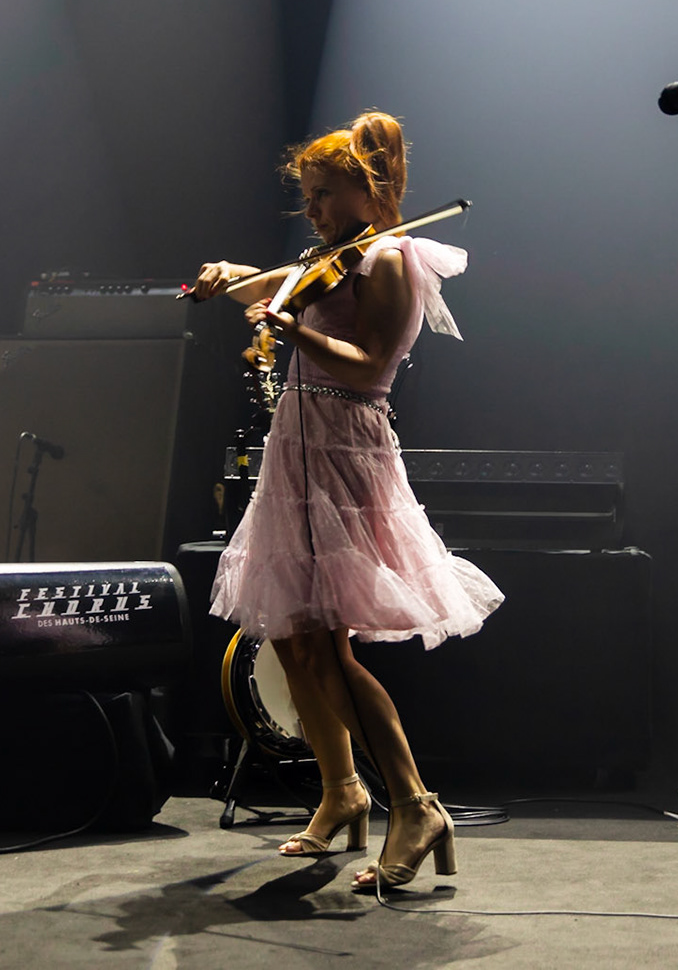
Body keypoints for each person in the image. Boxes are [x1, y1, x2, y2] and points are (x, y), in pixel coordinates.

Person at [192, 112, 503, 891]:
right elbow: (264, 291)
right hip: (297, 450)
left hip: (345, 450)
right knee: (294, 637)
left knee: (329, 646)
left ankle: (416, 803)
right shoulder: (330, 256)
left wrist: (294, 331)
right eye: (308, 196)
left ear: (370, 192)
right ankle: (341, 792)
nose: (315, 210)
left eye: (325, 195)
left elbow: (368, 368)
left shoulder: (392, 259)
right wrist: (228, 276)